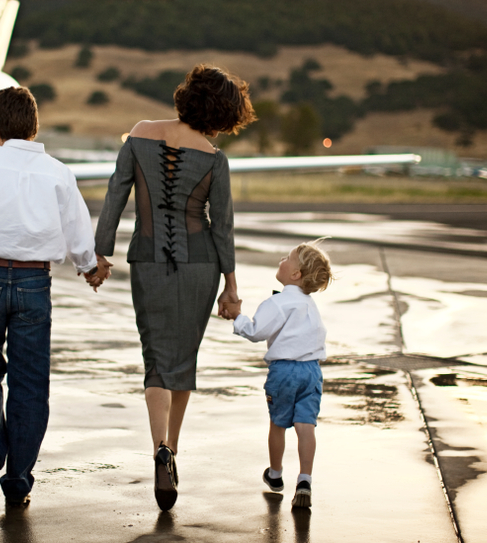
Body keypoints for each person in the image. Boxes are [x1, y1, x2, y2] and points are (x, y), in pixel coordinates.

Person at [91, 64, 256, 510]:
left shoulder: (140, 134)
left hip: (147, 261)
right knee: (183, 357)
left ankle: (159, 447)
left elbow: (115, 196)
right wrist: (231, 287)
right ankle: (172, 450)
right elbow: (222, 228)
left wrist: (99, 255)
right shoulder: (214, 159)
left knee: (156, 359)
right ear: (222, 114)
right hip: (200, 266)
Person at [0, 86, 100, 507]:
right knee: (30, 382)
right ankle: (18, 478)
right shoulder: (57, 171)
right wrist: (90, 267)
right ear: (35, 126)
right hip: (35, 282)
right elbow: (77, 229)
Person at [222, 239, 333, 509]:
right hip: (311, 371)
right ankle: (305, 479)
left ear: (295, 274)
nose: (281, 260)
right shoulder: (310, 305)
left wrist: (237, 316)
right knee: (306, 425)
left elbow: (256, 331)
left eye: (287, 258)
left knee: (278, 423)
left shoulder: (280, 301)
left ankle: (275, 474)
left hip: (284, 371)